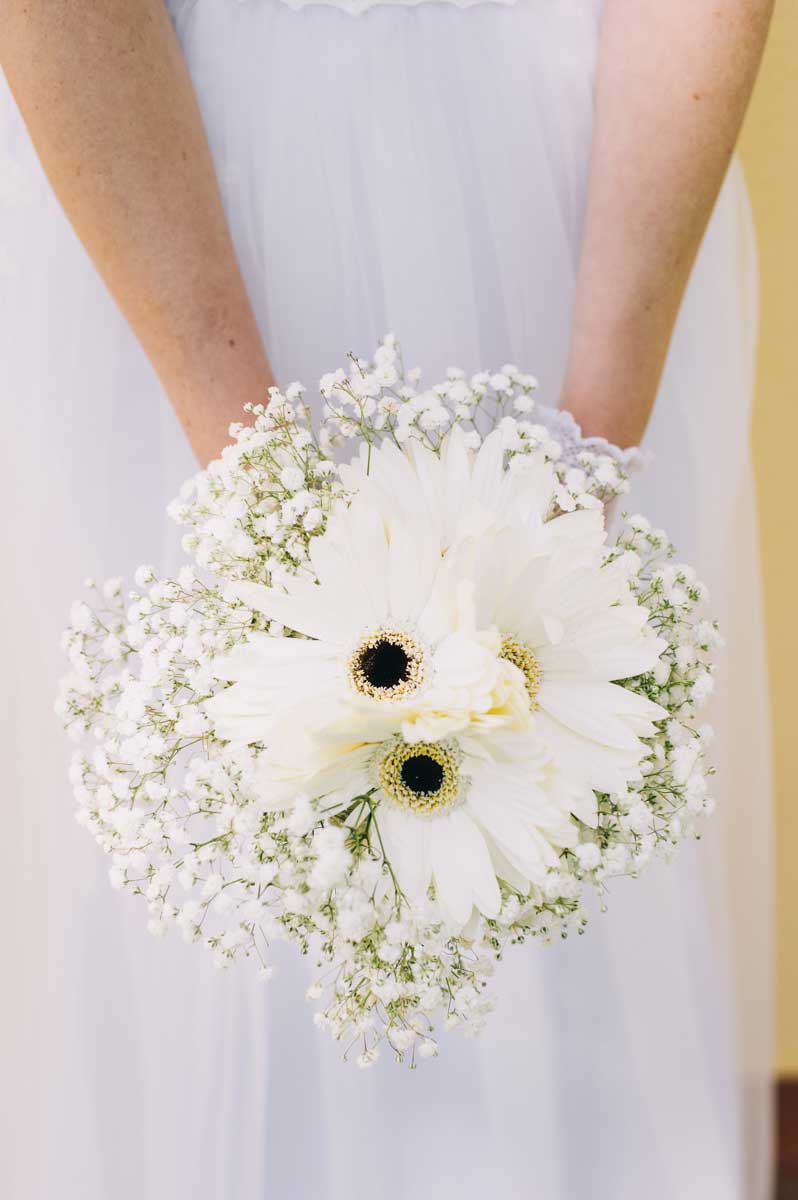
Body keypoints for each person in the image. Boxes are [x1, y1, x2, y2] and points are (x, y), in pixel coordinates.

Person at [0, 1, 774, 1196]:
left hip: (589, 184)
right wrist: (266, 502)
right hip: (165, 186)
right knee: (207, 855)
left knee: (573, 822)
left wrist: (584, 470)